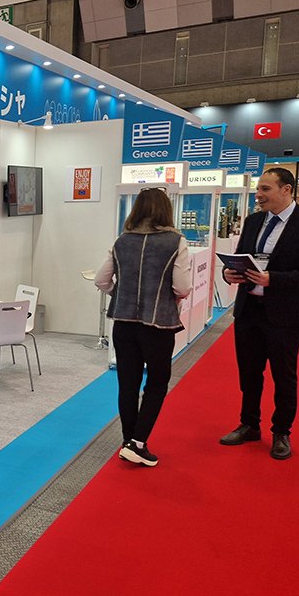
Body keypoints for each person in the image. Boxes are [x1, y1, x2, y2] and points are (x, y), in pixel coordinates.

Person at [219, 168, 299, 459]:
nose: (258, 195)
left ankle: (281, 431)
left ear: (286, 190)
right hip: (248, 311)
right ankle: (249, 424)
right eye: (259, 189)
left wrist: (275, 279)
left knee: (284, 375)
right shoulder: (254, 221)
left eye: (265, 189)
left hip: (286, 315)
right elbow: (241, 257)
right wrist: (229, 273)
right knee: (249, 372)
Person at [95, 187, 192, 467]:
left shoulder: (122, 241)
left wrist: (121, 295)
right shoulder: (176, 241)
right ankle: (137, 443)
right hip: (158, 325)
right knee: (157, 383)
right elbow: (182, 287)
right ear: (166, 209)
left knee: (127, 383)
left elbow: (101, 281)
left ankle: (129, 439)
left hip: (124, 324)